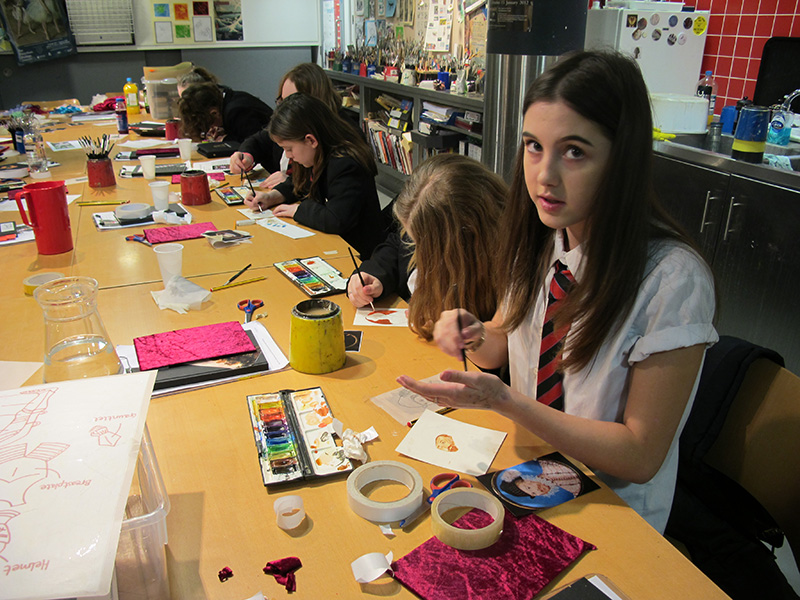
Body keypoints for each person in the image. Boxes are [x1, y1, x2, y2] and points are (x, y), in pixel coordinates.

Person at [396, 50, 718, 534]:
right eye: (533, 146)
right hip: (528, 472)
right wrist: (472, 331)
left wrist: (505, 401)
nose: (544, 175)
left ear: (622, 160)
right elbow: (501, 342)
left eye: (574, 151)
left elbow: (640, 453)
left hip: (613, 513)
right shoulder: (543, 240)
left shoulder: (673, 279)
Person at [347, 153, 506, 342]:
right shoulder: (423, 216)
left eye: (422, 245)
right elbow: (396, 244)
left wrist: (449, 324)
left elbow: (491, 343)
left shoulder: (502, 275)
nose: (416, 250)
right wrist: (376, 275)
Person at [243, 93, 385, 259]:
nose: (287, 155)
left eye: (289, 149)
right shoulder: (317, 154)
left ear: (311, 140)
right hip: (335, 244)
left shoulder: (346, 163)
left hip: (359, 254)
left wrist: (297, 210)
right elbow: (300, 184)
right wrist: (273, 196)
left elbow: (336, 219)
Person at [231, 62, 360, 188]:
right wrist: (246, 155)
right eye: (282, 101)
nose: (285, 109)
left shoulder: (343, 137)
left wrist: (292, 182)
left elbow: (330, 187)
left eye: (292, 102)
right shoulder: (289, 122)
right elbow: (259, 140)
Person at [177, 81, 274, 147]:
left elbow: (254, 144)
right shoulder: (229, 99)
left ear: (214, 113)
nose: (213, 127)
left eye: (211, 124)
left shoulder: (237, 111)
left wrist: (226, 139)